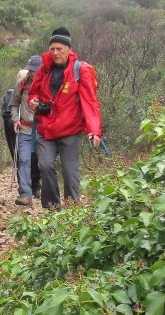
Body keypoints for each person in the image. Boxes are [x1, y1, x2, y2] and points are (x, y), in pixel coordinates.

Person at [27, 26, 103, 210]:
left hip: (70, 130)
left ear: (69, 49)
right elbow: (32, 94)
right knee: (44, 166)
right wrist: (33, 102)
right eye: (52, 49)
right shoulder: (44, 70)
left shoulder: (80, 70)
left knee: (70, 173)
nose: (55, 53)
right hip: (46, 129)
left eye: (59, 49)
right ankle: (53, 209)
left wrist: (94, 130)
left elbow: (90, 102)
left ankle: (72, 211)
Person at [9, 55, 42, 206]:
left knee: (42, 162)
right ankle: (25, 194)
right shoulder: (21, 84)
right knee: (24, 160)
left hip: (43, 130)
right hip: (25, 129)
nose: (34, 73)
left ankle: (42, 190)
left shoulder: (48, 84)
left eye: (37, 70)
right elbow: (14, 104)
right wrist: (15, 119)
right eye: (32, 70)